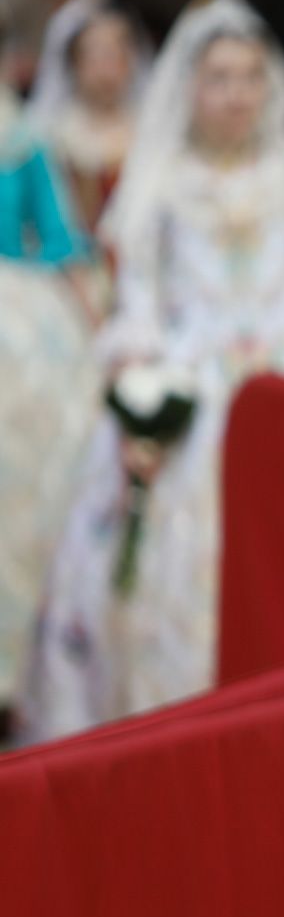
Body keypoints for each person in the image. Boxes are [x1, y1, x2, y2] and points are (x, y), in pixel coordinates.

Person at [16, 0, 284, 742]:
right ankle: (187, 725)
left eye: (250, 76)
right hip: (196, 392)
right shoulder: (160, 185)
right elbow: (137, 307)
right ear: (190, 87)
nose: (237, 93)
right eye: (220, 77)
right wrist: (139, 402)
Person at [0, 82, 95, 736]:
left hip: (21, 325)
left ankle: (20, 670)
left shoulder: (21, 132)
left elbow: (58, 235)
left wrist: (96, 322)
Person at [25, 0, 147, 237]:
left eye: (117, 54)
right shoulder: (52, 133)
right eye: (95, 56)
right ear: (74, 63)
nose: (107, 69)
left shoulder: (150, 127)